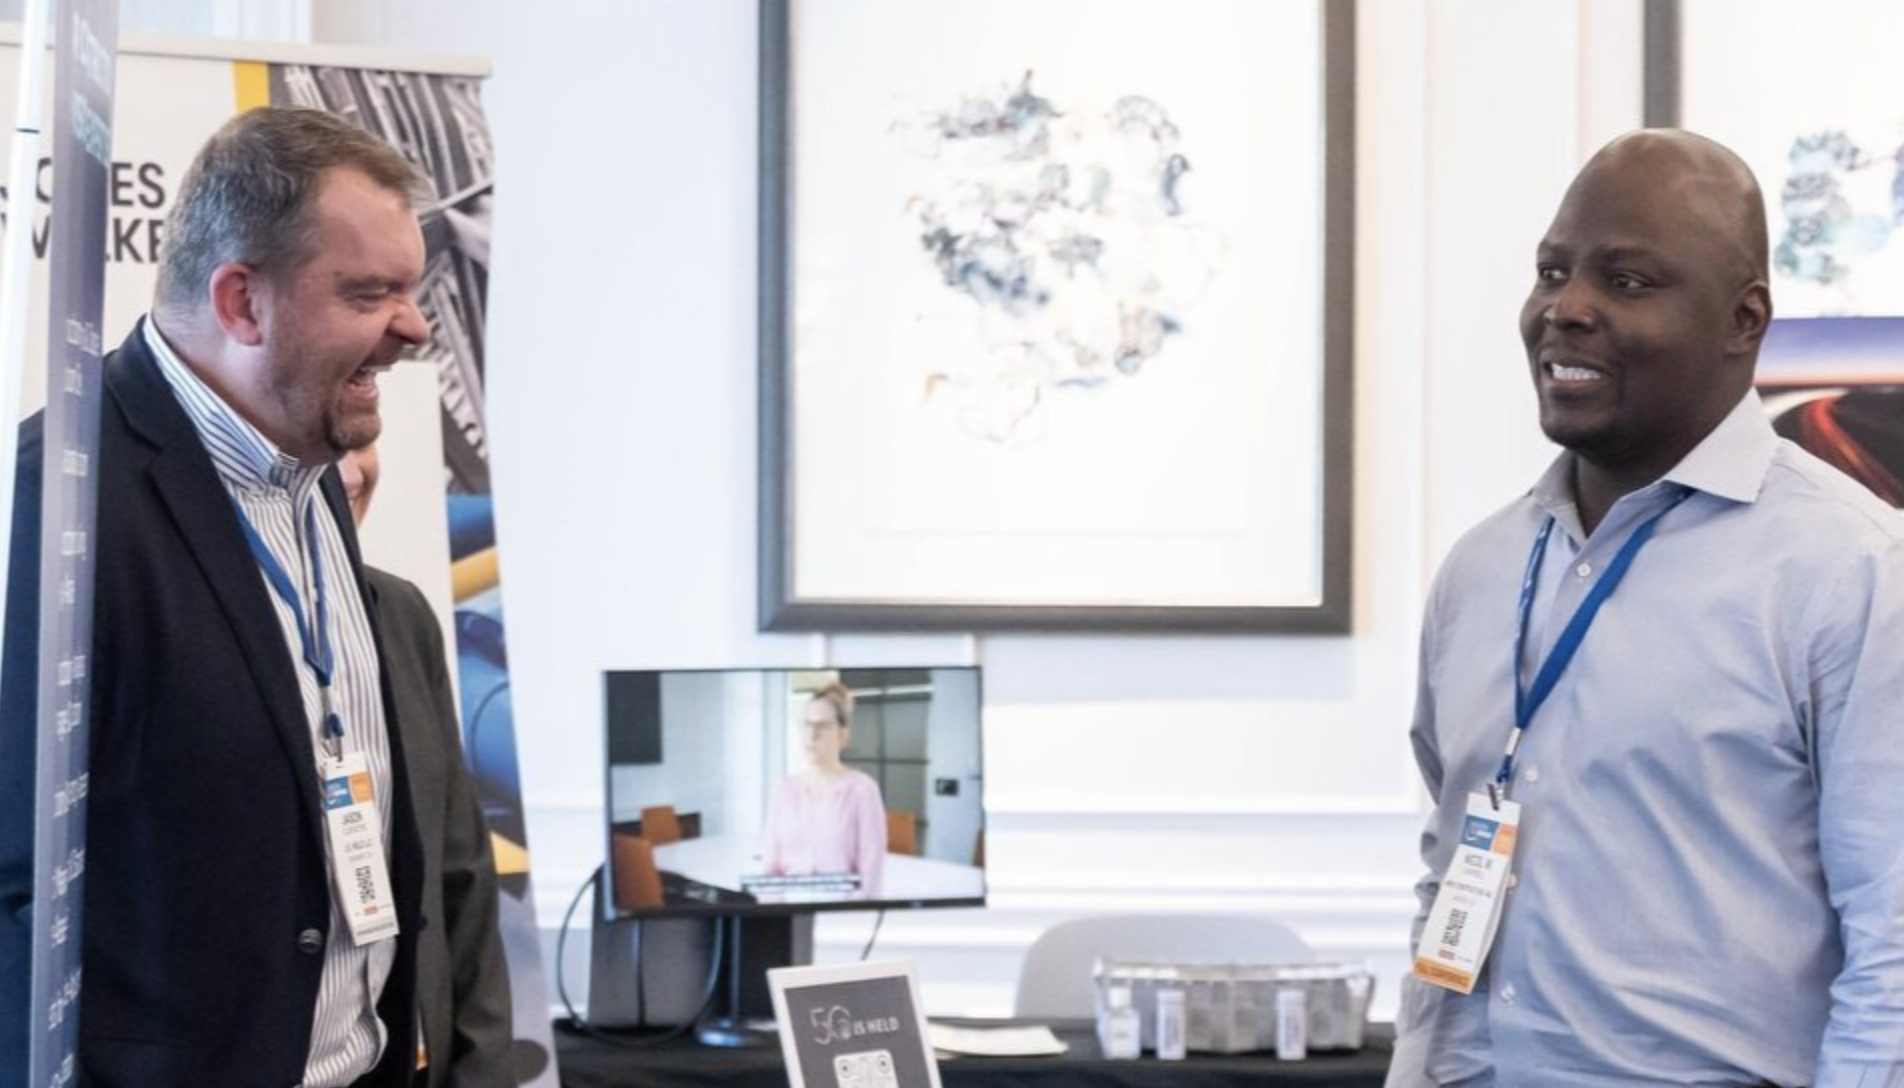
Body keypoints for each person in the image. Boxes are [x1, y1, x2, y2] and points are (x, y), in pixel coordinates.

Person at [1388, 129, 1904, 1088]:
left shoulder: (1853, 572)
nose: (1566, 309)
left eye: (1626, 281)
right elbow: (1451, 873)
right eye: (1552, 272)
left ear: (1743, 320)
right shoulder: (1480, 570)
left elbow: (1896, 951)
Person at [2, 108, 432, 1086]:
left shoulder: (310, 464)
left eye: (411, 290)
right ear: (242, 301)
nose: (413, 328)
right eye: (370, 293)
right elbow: (16, 890)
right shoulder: (59, 501)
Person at [338, 446, 515, 1087]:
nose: (351, 473)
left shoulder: (402, 614)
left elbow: (461, 869)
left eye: (361, 443)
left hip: (418, 1066)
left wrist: (484, 1070)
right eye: (329, 444)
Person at [760, 681, 888, 896]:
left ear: (842, 735)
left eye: (823, 726)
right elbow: (770, 871)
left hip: (841, 910)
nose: (812, 735)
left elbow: (870, 880)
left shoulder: (863, 790)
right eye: (807, 725)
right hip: (790, 909)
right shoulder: (784, 789)